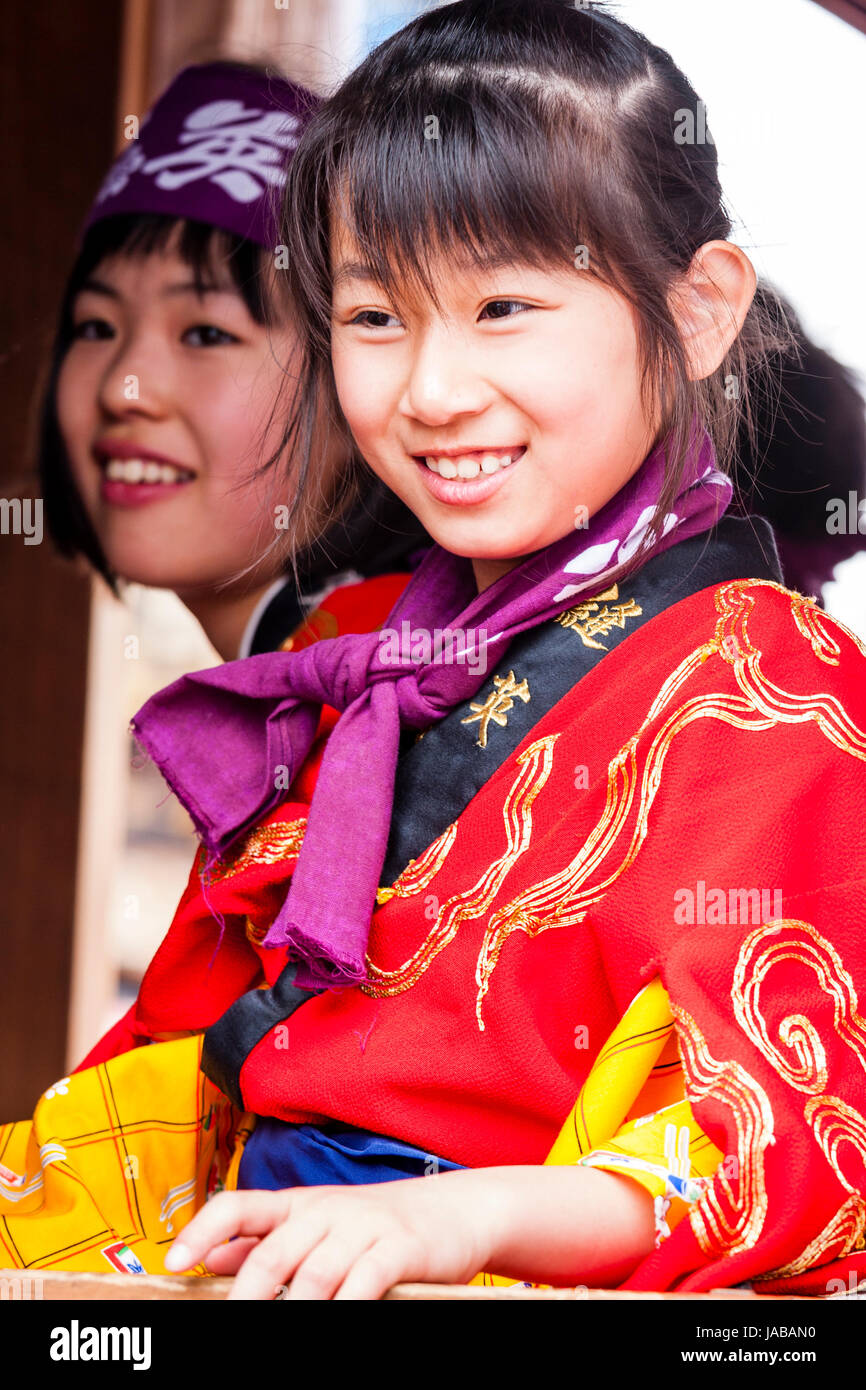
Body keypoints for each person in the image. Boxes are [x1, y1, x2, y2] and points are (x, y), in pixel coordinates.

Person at [3, 0, 865, 1300]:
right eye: (374, 317)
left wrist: (460, 1222)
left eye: (503, 305)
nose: (430, 389)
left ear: (695, 312)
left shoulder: (764, 683)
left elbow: (791, 1135)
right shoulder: (360, 647)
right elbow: (191, 1053)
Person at [39, 59, 429, 662]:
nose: (124, 387)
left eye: (205, 334)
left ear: (360, 390)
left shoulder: (383, 711)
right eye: (96, 326)